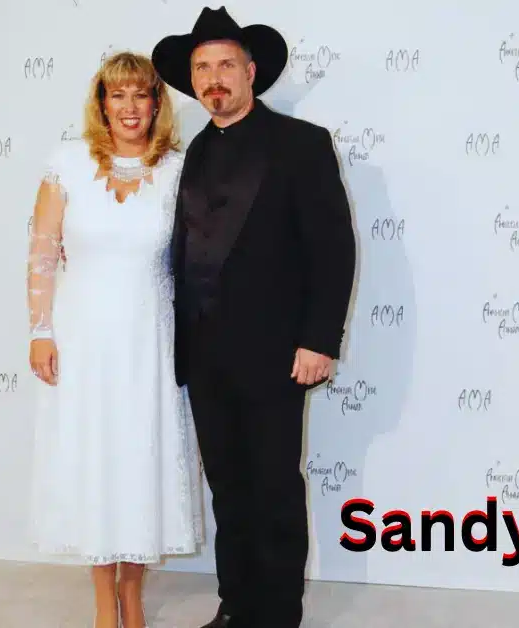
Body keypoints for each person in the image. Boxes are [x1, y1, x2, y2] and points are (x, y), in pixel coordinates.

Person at [151, 7, 357, 628]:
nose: (214, 78)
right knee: (230, 496)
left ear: (251, 71)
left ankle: (277, 616)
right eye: (201, 68)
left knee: (273, 492)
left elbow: (333, 247)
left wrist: (319, 340)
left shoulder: (302, 144)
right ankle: (235, 608)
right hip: (206, 357)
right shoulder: (190, 156)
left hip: (276, 355)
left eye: (225, 65)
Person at [26, 51, 204, 628]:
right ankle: (106, 603)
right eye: (117, 95)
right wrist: (41, 331)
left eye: (141, 95)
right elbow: (43, 252)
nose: (130, 107)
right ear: (101, 103)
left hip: (150, 342)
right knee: (95, 464)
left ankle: (133, 594)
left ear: (157, 104)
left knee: (138, 466)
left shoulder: (180, 170)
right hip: (84, 342)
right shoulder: (67, 163)